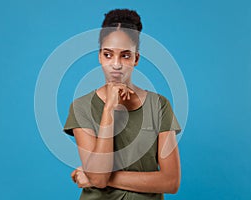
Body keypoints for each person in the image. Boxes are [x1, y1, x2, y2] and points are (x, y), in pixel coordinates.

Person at [63, 8, 182, 200]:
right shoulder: (81, 107)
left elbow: (171, 182)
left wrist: (93, 176)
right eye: (108, 55)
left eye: (125, 55)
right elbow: (99, 179)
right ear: (99, 56)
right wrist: (110, 107)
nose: (116, 64)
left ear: (136, 58)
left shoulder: (159, 106)